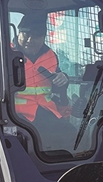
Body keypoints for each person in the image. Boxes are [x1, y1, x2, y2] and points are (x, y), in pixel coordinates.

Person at [12, 14, 74, 144]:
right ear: (19, 33)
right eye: (26, 34)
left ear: (43, 37)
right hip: (15, 115)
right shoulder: (6, 53)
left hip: (45, 111)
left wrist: (63, 78)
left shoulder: (50, 56)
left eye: (36, 36)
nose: (30, 40)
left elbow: (57, 83)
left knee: (72, 136)